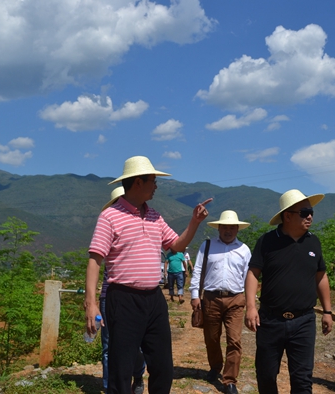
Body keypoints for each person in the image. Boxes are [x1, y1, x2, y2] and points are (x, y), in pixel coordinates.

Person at [84, 155, 212, 394]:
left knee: (163, 366)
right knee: (121, 368)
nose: (156, 186)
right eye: (153, 181)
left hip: (154, 299)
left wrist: (194, 222)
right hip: (123, 299)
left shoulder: (155, 216)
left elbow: (176, 246)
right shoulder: (110, 216)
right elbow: (95, 260)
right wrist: (90, 304)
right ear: (138, 182)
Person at [244, 189, 333, 393]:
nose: (309, 217)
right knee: (266, 375)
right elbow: (253, 274)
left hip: (304, 321)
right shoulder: (267, 241)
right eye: (304, 213)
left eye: (311, 212)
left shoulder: (313, 242)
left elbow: (321, 276)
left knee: (303, 379)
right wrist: (251, 307)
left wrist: (327, 311)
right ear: (288, 216)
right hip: (270, 320)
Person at [190, 210, 252, 394]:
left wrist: (251, 302)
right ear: (219, 228)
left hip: (236, 299)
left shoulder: (244, 250)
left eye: (232, 227)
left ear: (237, 229)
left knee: (234, 340)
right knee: (211, 338)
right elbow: (198, 270)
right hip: (211, 298)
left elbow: (249, 277)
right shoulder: (207, 245)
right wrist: (195, 295)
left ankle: (230, 380)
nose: (228, 230)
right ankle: (215, 366)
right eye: (225, 227)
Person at [98, 186, 146, 393]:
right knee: (108, 346)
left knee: (137, 345)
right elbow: (95, 261)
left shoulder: (142, 230)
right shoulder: (107, 226)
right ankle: (111, 387)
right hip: (109, 296)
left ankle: (138, 375)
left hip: (135, 298)